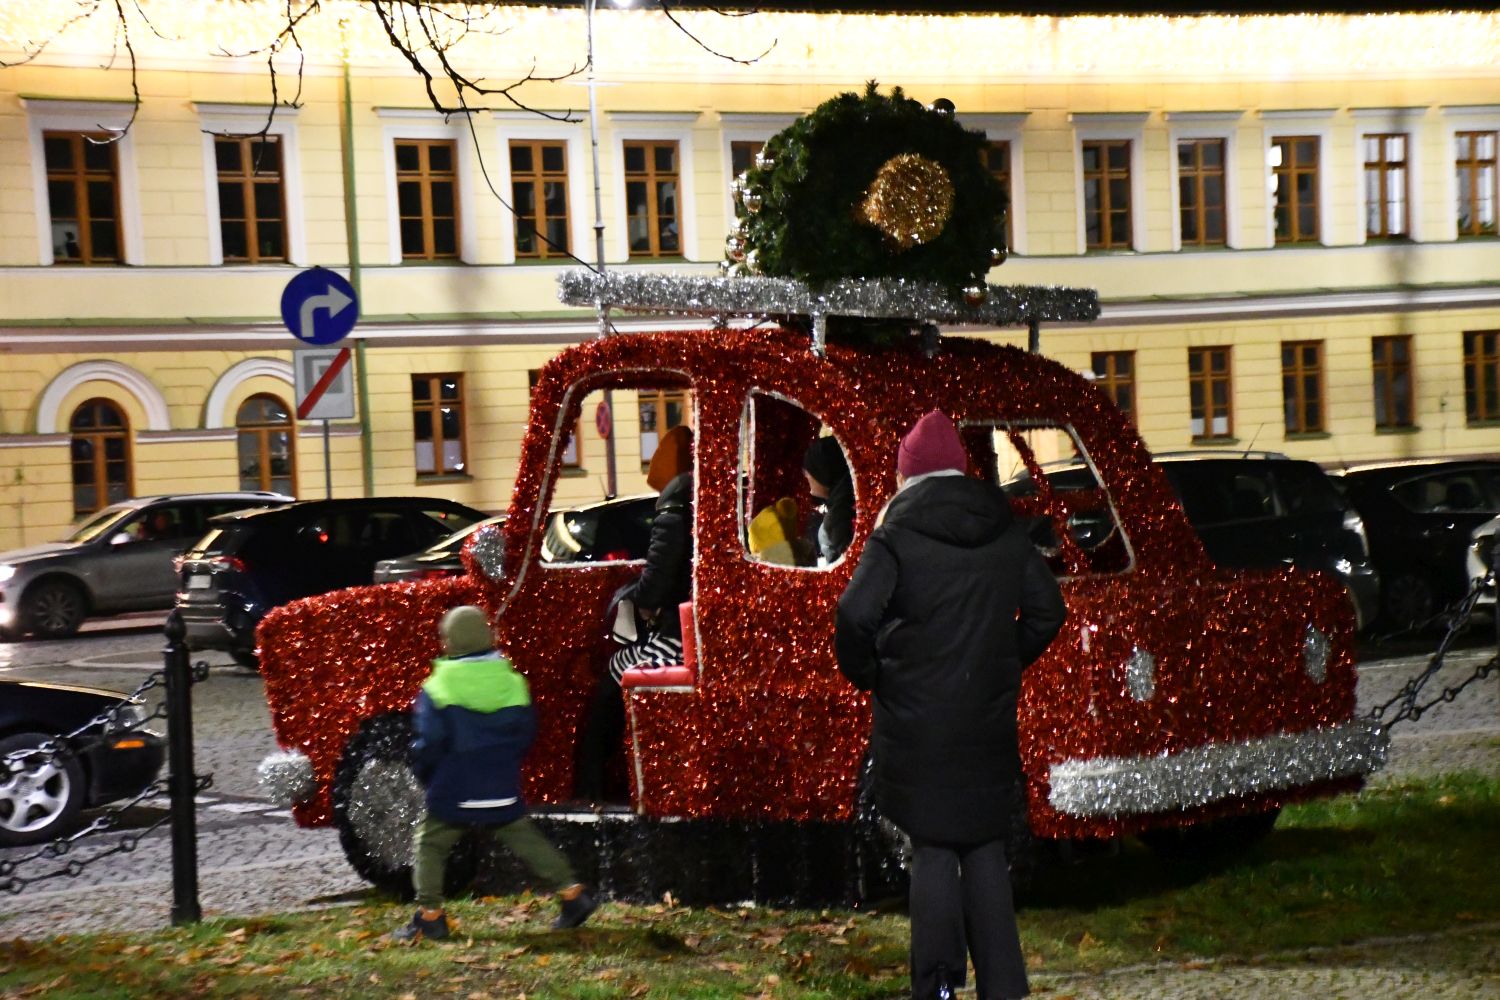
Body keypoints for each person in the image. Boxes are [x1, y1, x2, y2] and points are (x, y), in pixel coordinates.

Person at [835, 410, 1066, 1000]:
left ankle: (936, 985)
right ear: (961, 471)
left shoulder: (895, 536)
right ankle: (1003, 986)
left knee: (933, 845)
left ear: (907, 476)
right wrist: (1004, 659)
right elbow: (1048, 611)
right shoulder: (1004, 528)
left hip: (917, 719)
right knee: (985, 844)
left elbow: (854, 615)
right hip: (986, 715)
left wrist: (874, 674)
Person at [394, 605, 598, 942]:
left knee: (430, 844)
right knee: (524, 838)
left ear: (449, 642)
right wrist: (502, 764)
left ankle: (430, 917)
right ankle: (573, 894)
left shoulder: (438, 686)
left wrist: (426, 773)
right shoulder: (513, 682)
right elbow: (526, 734)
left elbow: (430, 742)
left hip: (454, 787)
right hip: (501, 784)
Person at [573, 424, 694, 802]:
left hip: (678, 636)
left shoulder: (673, 509)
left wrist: (636, 599)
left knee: (613, 678)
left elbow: (658, 579)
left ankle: (595, 787)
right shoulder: (695, 502)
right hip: (686, 629)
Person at [803, 435, 854, 563]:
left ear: (823, 472)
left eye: (810, 471)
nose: (806, 476)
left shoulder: (841, 518)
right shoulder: (844, 504)